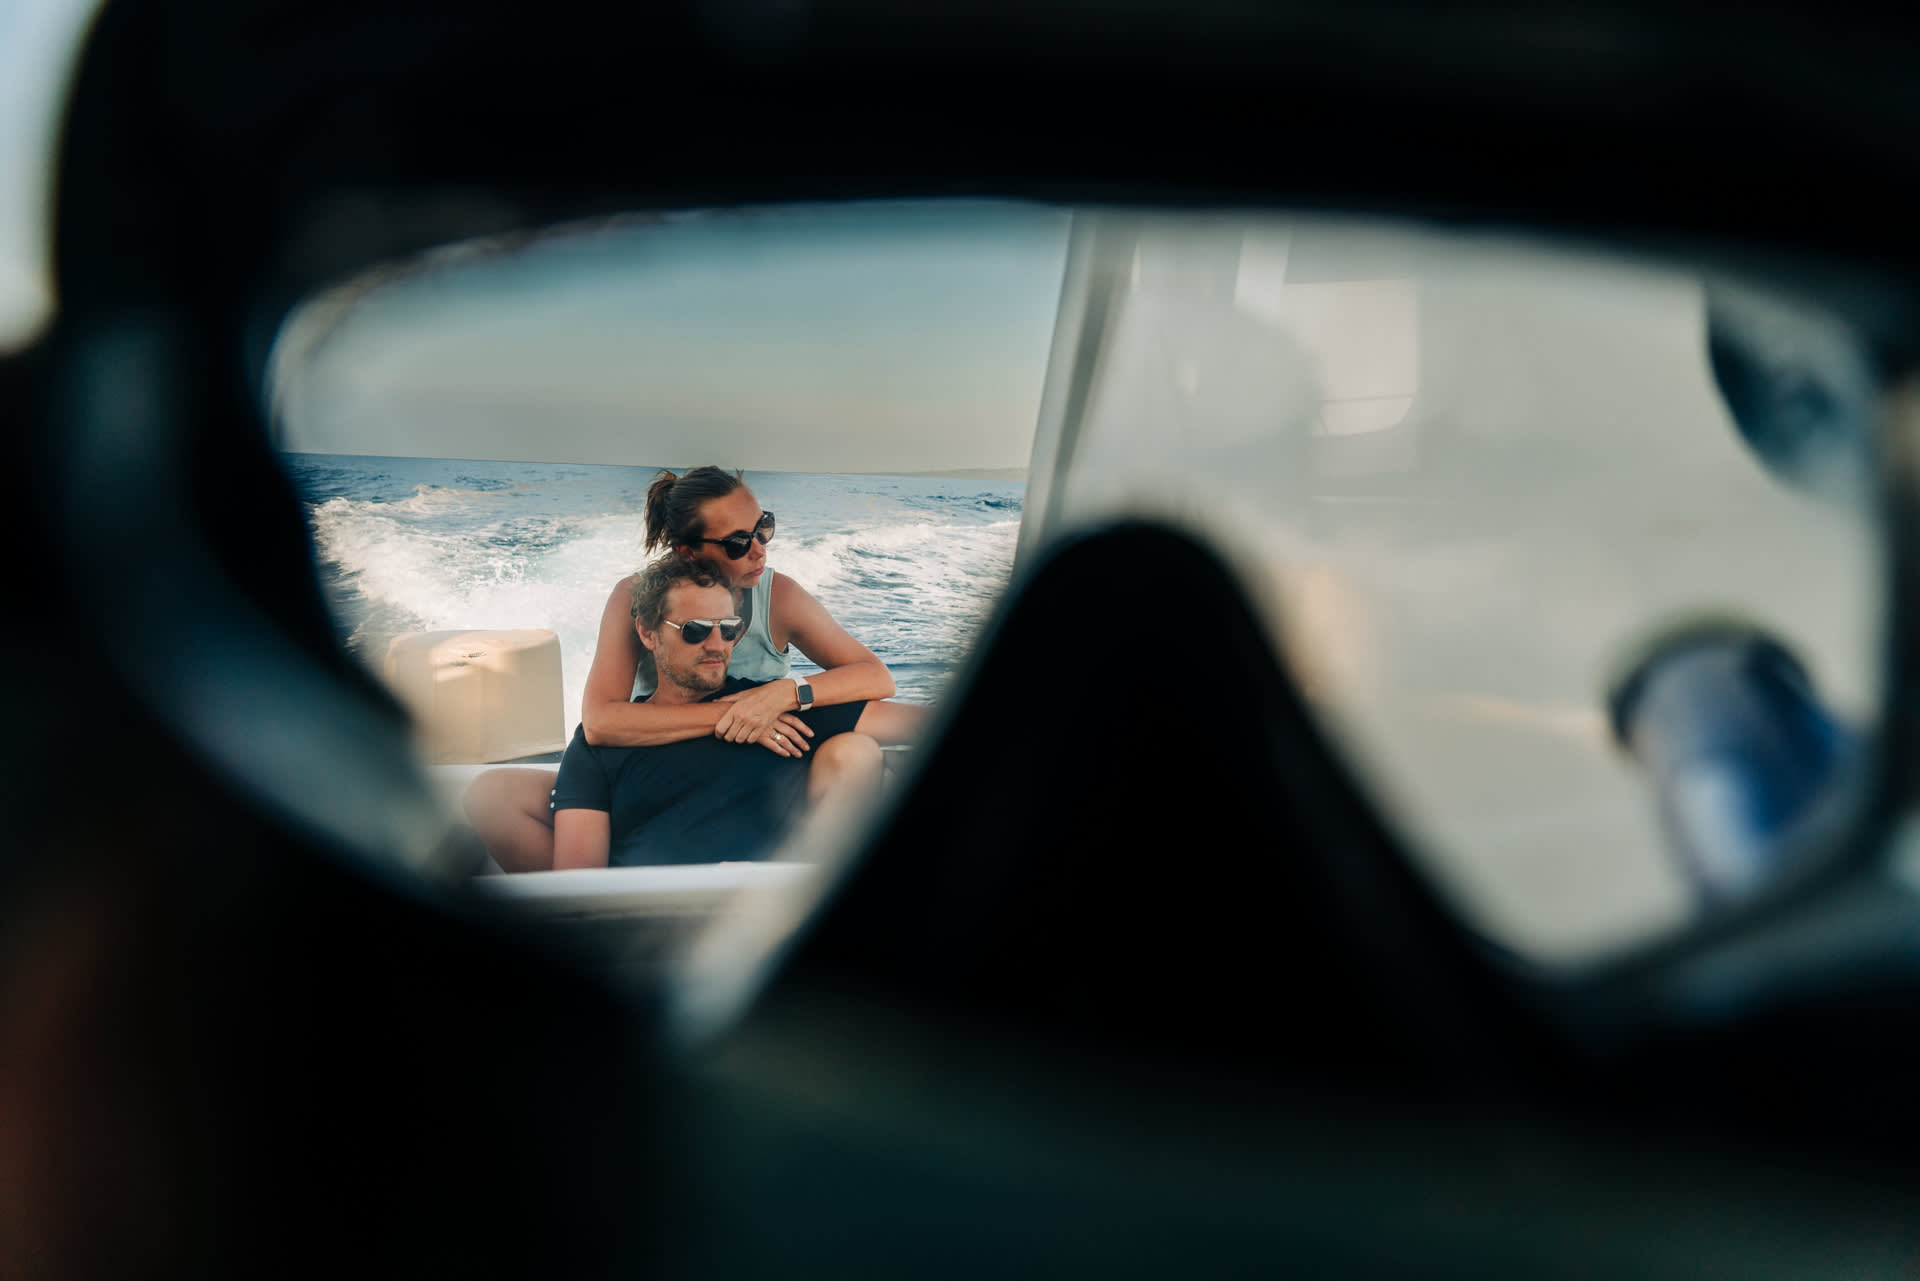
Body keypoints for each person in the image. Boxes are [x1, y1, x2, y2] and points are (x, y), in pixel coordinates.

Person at [464, 466, 920, 871]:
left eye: (763, 529)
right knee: (495, 796)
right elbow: (601, 723)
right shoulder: (637, 600)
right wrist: (739, 713)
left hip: (765, 764)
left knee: (855, 750)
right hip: (657, 750)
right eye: (739, 542)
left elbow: (876, 677)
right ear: (688, 551)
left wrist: (783, 694)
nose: (759, 551)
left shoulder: (778, 596)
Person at [550, 555, 890, 869]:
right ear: (647, 633)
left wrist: (793, 692)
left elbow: (907, 722)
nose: (717, 645)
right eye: (695, 630)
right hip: (651, 907)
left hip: (770, 903)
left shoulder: (770, 707)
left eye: (728, 629)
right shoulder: (598, 746)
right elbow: (577, 883)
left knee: (857, 750)